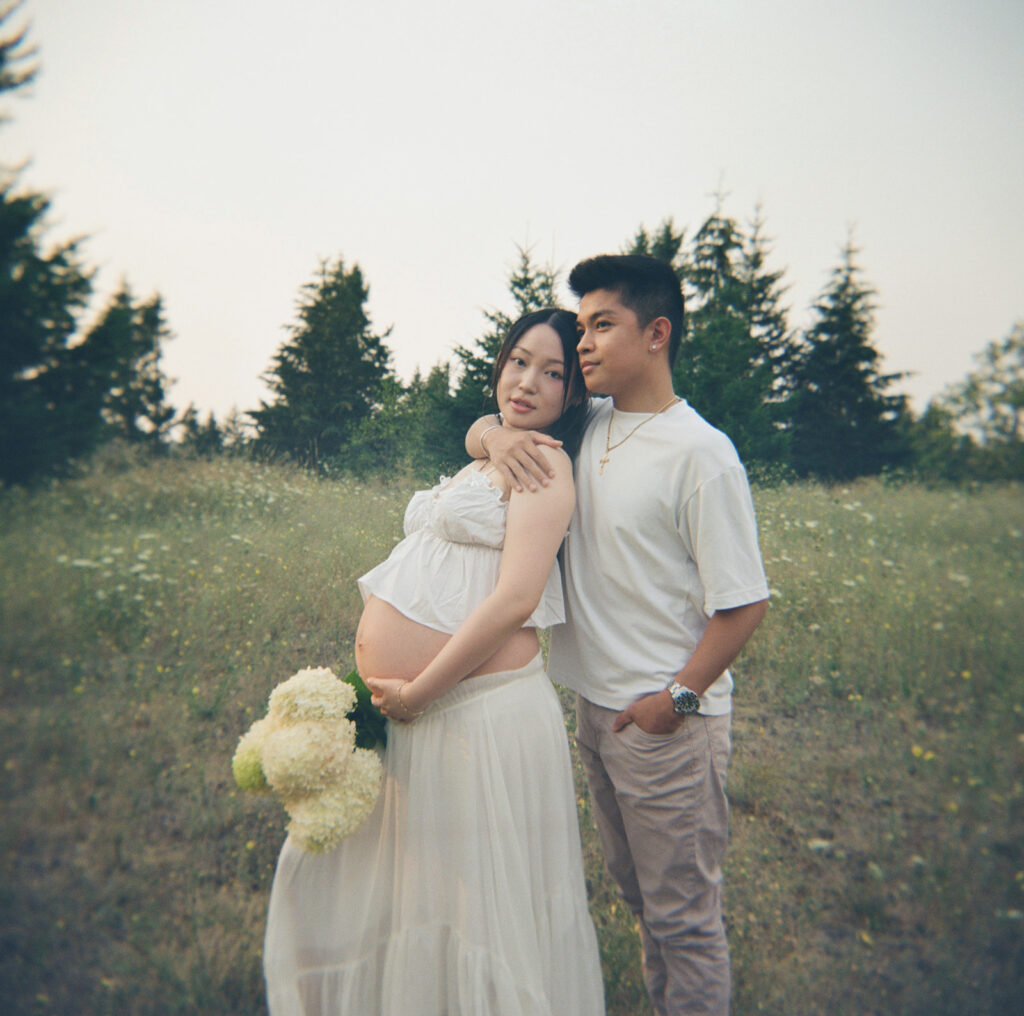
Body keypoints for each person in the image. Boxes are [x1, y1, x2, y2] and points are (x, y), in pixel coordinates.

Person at [263, 308, 606, 1016]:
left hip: (471, 711)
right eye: (518, 361)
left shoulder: (550, 465)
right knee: (419, 881)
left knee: (478, 902)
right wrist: (491, 432)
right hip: (424, 706)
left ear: (575, 394)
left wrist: (420, 689)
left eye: (553, 373)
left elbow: (515, 599)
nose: (528, 381)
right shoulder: (498, 448)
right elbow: (480, 430)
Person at [468, 255, 770, 1016]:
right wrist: (489, 436)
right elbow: (501, 419)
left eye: (603, 325)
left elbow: (744, 604)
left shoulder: (702, 455)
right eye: (582, 327)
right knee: (641, 900)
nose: (585, 346)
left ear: (657, 334)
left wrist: (677, 700)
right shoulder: (590, 421)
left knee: (685, 921)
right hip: (595, 715)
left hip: (664, 722)